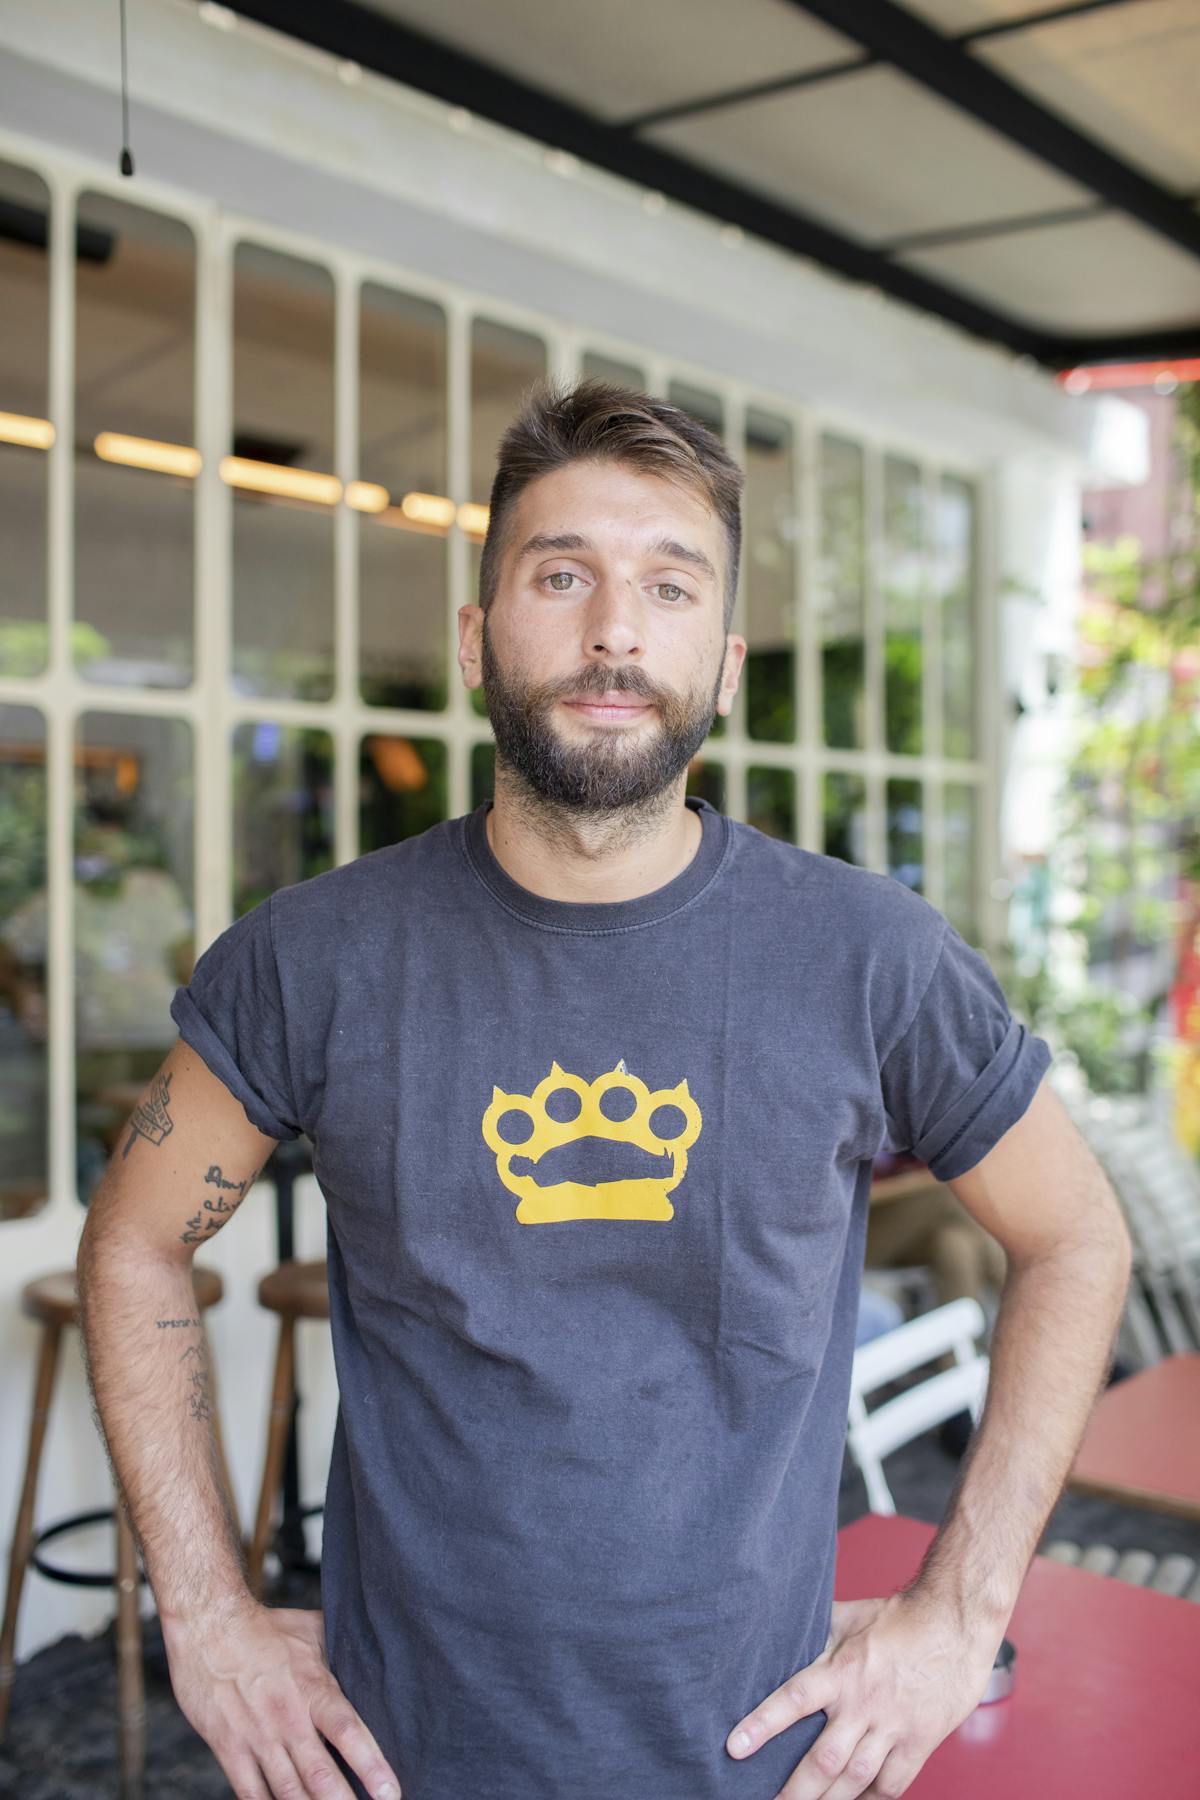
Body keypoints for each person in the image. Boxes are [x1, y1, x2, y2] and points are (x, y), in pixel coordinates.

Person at [76, 380, 1132, 1800]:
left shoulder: (866, 959)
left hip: (764, 1757)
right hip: (391, 1760)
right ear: (475, 636)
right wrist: (201, 1616)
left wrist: (962, 1611)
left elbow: (1079, 1238)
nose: (614, 630)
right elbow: (133, 1236)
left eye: (669, 585)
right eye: (560, 573)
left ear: (728, 660)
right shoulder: (315, 958)